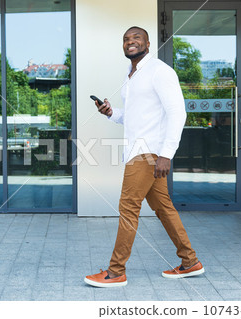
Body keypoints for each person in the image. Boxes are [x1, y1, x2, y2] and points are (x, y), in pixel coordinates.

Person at [84, 26, 204, 288]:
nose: (130, 42)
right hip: (140, 151)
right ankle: (190, 261)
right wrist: (110, 112)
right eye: (126, 39)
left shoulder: (160, 71)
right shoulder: (132, 75)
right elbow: (134, 117)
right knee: (164, 209)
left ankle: (116, 272)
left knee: (128, 208)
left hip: (148, 153)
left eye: (136, 38)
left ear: (148, 43)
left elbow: (177, 112)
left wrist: (166, 154)